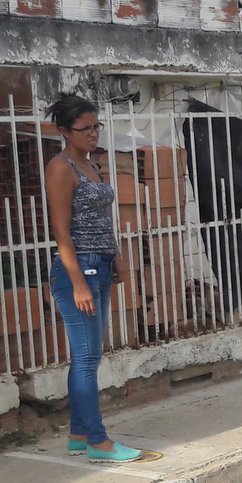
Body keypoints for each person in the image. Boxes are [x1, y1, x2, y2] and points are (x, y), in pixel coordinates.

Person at [45, 94, 143, 463]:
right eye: (85, 129)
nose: (93, 133)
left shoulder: (91, 166)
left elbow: (101, 220)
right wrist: (78, 282)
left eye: (96, 126)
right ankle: (98, 442)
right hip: (78, 269)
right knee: (86, 359)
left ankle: (78, 434)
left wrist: (115, 255)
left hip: (99, 263)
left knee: (88, 357)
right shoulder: (61, 168)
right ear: (65, 132)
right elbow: (61, 231)